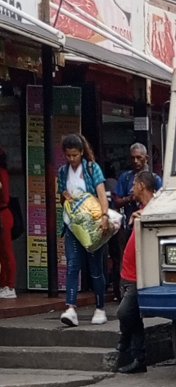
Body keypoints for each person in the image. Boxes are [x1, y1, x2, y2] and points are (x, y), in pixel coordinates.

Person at [57, 134, 110, 327]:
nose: (71, 159)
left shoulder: (91, 168)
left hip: (92, 224)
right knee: (72, 265)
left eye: (75, 155)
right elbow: (62, 195)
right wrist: (66, 197)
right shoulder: (63, 172)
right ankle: (70, 308)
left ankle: (100, 307)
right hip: (72, 225)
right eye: (68, 155)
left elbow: (102, 193)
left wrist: (104, 217)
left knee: (95, 268)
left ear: (81, 152)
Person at [116, 170, 157, 374]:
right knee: (133, 317)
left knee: (124, 313)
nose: (132, 188)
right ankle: (137, 358)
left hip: (136, 277)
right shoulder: (141, 210)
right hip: (128, 274)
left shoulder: (154, 209)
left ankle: (124, 344)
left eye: (134, 184)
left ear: (141, 186)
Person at [113, 143, 162, 239]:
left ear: (146, 158)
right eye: (133, 158)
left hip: (149, 224)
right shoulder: (125, 178)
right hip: (129, 225)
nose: (136, 161)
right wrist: (130, 198)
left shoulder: (155, 178)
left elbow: (162, 201)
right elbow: (116, 202)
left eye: (139, 157)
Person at [0, 147, 17, 299]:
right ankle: (3, 284)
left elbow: (5, 198)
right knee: (2, 253)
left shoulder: (2, 174)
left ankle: (10, 286)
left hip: (3, 215)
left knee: (7, 252)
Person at [104, 163, 122, 301]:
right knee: (118, 258)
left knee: (108, 257)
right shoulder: (115, 183)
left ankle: (112, 288)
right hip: (115, 224)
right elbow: (117, 202)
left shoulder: (101, 185)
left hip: (103, 224)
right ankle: (118, 290)